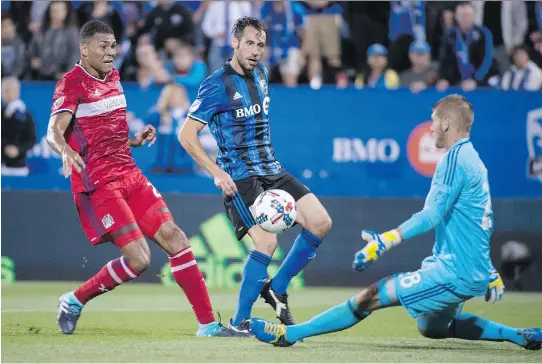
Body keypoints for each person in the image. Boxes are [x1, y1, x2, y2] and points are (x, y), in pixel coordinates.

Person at [250, 94, 542, 350]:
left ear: (447, 123)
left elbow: (431, 215)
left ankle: (289, 334)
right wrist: (488, 270)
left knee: (370, 296)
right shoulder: (475, 161)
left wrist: (386, 240)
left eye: (434, 121)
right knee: (432, 327)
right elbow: (480, 222)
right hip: (464, 268)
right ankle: (519, 335)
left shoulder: (454, 160)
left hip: (453, 272)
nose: (430, 128)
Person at [47, 20, 248, 338]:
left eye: (113, 46)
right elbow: (54, 131)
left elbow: (106, 133)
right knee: (140, 260)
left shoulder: (114, 77)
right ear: (84, 49)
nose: (110, 52)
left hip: (129, 173)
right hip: (98, 183)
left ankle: (208, 325)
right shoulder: (72, 83)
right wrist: (64, 151)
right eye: (103, 46)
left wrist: (134, 141)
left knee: (176, 238)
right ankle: (74, 301)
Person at [179, 17, 332, 334]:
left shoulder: (262, 74)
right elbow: (186, 135)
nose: (255, 50)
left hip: (272, 169)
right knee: (266, 241)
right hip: (240, 178)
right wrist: (217, 172)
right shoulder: (216, 84)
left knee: (320, 222)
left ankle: (277, 288)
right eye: (249, 43)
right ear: (234, 42)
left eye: (260, 44)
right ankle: (239, 322)